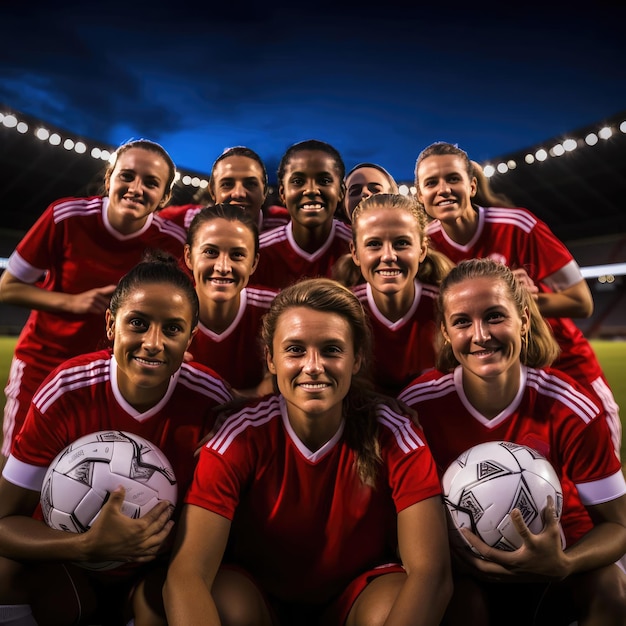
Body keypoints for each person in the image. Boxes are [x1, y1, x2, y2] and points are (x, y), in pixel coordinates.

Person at [163, 278, 453, 626]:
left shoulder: (396, 433)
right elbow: (186, 575)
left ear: (357, 358)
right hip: (260, 600)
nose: (313, 366)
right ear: (270, 359)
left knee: (393, 604)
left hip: (357, 597)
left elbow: (432, 574)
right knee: (222, 599)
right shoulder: (238, 437)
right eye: (295, 350)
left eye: (331, 350)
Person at [0, 252, 233, 626]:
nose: (153, 343)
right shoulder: (66, 390)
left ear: (191, 337)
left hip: (154, 575)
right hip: (63, 565)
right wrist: (85, 546)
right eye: (138, 323)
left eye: (172, 329)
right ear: (111, 324)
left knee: (174, 606)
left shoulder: (213, 402)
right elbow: (3, 522)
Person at [398, 258, 626, 626]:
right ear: (445, 331)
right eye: (461, 322)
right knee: (461, 606)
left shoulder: (573, 406)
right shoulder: (416, 407)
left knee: (612, 591)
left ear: (523, 320)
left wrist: (565, 563)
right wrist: (449, 557)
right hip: (464, 574)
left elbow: (619, 526)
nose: (480, 335)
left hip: (561, 563)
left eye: (494, 316)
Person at [414, 140, 622, 457]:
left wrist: (521, 300)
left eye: (452, 179)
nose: (443, 189)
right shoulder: (424, 248)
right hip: (503, 380)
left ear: (471, 185)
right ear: (419, 195)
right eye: (431, 182)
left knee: (597, 478)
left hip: (564, 365)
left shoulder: (518, 226)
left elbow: (582, 302)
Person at [0, 138, 188, 465]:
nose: (136, 187)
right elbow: (8, 287)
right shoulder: (66, 216)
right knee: (18, 468)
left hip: (116, 375)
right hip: (45, 362)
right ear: (109, 179)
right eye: (127, 176)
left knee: (95, 476)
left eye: (151, 182)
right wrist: (74, 303)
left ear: (165, 197)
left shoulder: (171, 241)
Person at [345, 193, 453, 396]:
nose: (388, 256)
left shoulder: (449, 307)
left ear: (422, 250)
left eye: (402, 243)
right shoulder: (341, 313)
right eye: (374, 244)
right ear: (355, 253)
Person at [184, 203, 278, 396]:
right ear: (188, 256)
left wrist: (234, 399)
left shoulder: (275, 310)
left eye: (237, 255)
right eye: (210, 252)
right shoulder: (162, 312)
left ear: (253, 263)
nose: (223, 266)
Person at [251, 140, 353, 291]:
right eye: (298, 181)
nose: (311, 190)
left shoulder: (357, 249)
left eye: (324, 180)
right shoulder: (259, 253)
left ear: (341, 192)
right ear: (282, 194)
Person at [159, 146, 289, 232]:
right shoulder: (188, 219)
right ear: (212, 192)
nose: (239, 193)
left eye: (250, 184)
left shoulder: (284, 222)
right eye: (227, 184)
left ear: (264, 192)